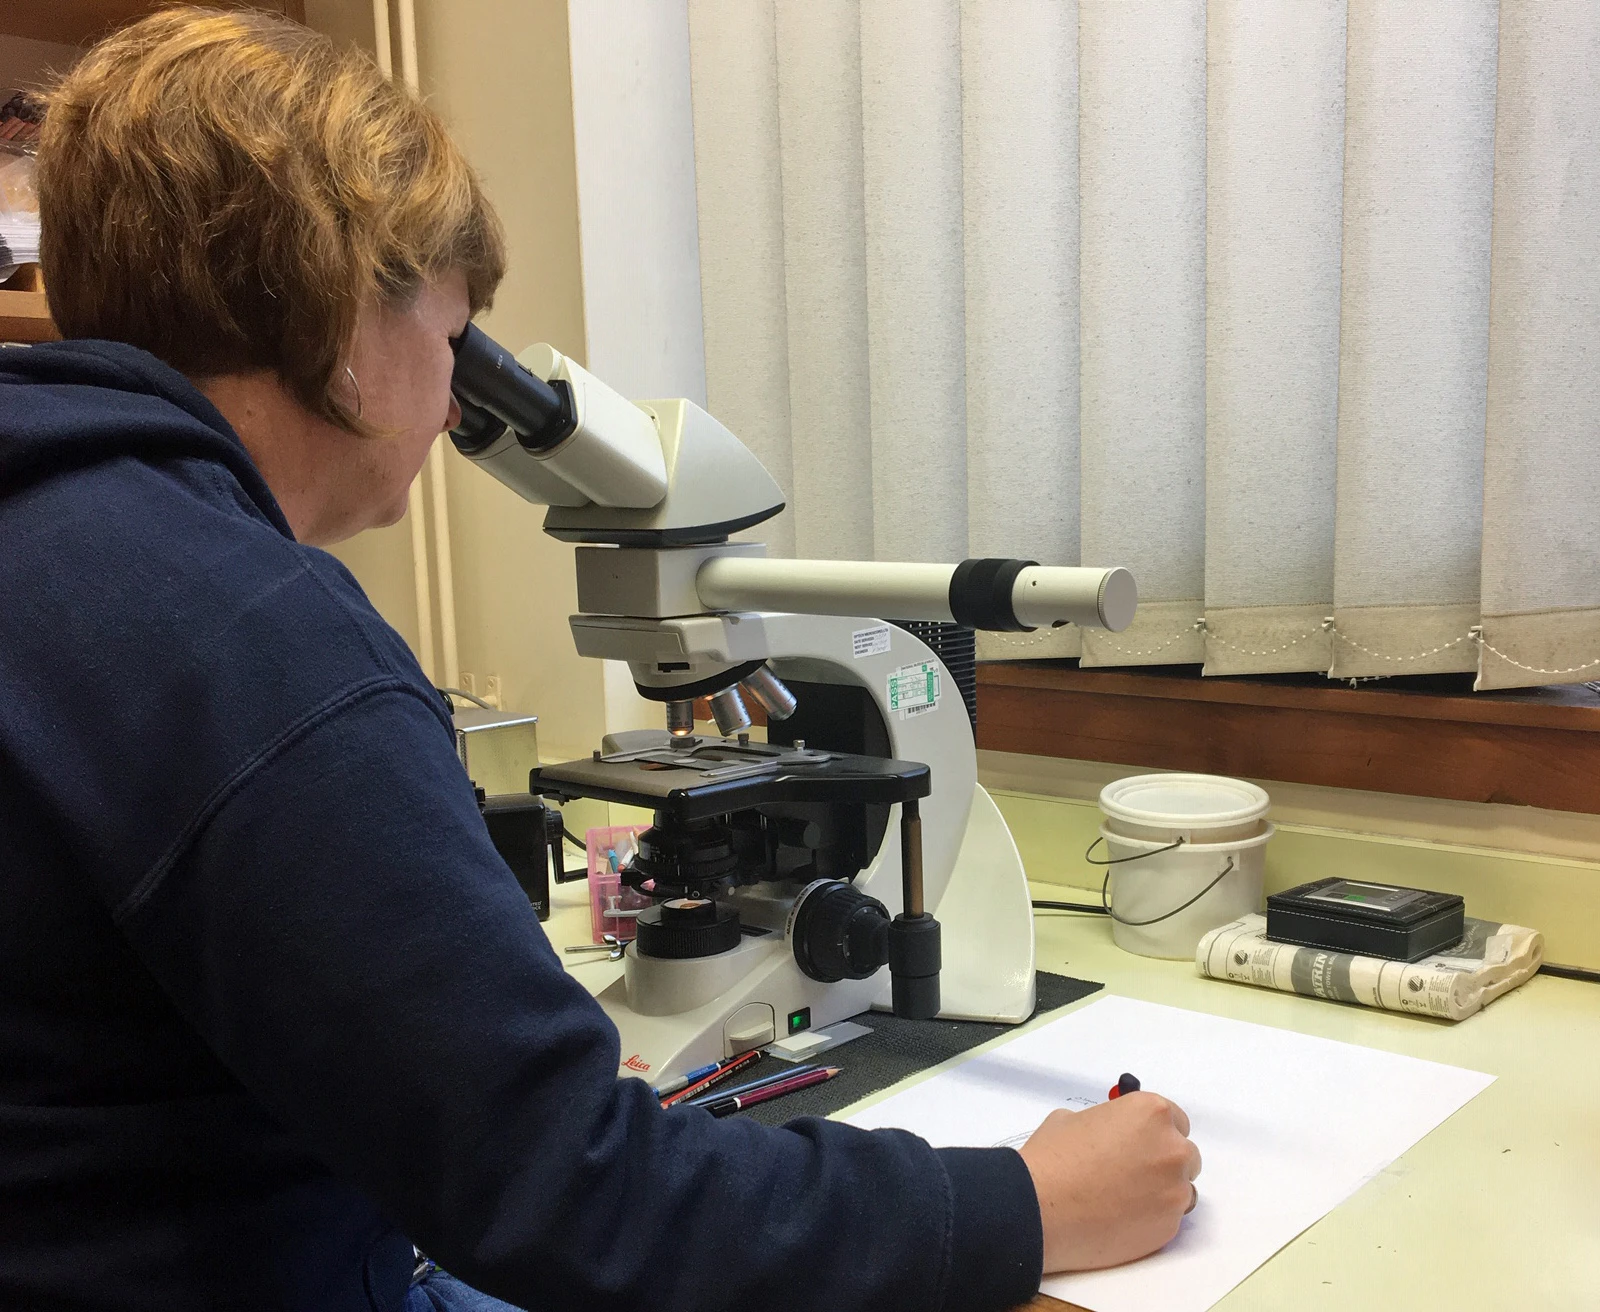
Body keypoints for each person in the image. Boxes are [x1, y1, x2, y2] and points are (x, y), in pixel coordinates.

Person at [0, 10, 1201, 1311]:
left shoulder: (56, 530)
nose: (457, 405)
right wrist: (1024, 1206)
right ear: (347, 300)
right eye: (455, 336)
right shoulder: (252, 640)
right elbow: (572, 1194)